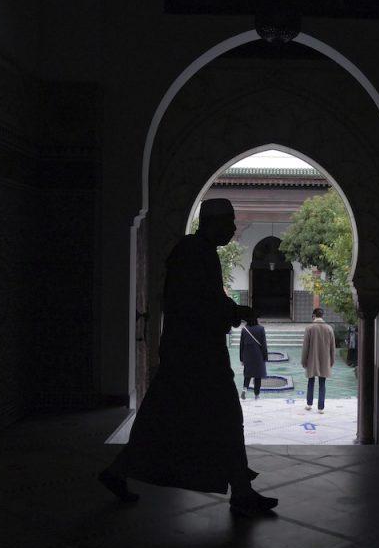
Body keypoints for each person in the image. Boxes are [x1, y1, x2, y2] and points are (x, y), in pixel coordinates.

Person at [98, 198, 278, 516]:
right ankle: (241, 491)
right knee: (222, 418)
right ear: (213, 223)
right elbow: (197, 303)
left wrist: (232, 311)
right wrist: (235, 311)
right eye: (229, 222)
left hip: (190, 354)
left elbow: (205, 300)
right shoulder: (194, 253)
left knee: (167, 420)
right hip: (195, 357)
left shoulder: (197, 252)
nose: (234, 228)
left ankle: (118, 472)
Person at [301, 308, 335, 413]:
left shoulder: (309, 328)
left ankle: (309, 404)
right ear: (322, 315)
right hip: (325, 359)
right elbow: (332, 347)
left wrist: (303, 360)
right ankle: (321, 408)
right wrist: (332, 360)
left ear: (314, 316)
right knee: (322, 383)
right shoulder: (329, 328)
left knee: (310, 381)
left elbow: (305, 347)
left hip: (312, 359)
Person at [239, 315, 268, 400]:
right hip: (258, 356)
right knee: (257, 376)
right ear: (256, 319)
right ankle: (256, 395)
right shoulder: (261, 329)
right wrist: (265, 357)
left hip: (247, 356)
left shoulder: (244, 329)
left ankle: (244, 390)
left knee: (247, 374)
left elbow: (241, 346)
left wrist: (241, 358)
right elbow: (264, 345)